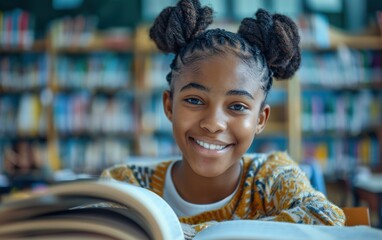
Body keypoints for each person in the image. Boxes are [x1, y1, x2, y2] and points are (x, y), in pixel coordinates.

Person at [101, 0, 345, 236]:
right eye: (195, 100)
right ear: (169, 106)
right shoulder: (128, 184)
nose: (213, 123)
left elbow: (325, 219)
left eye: (237, 106)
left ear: (261, 119)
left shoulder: (272, 176)